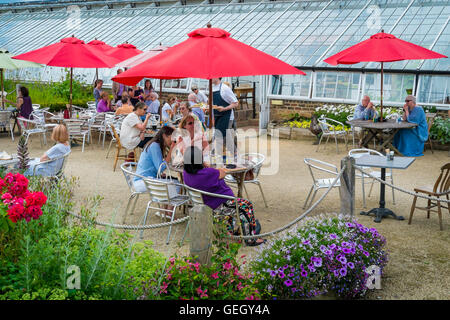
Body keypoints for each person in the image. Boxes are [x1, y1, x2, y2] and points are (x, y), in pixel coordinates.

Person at [183, 146, 265, 246]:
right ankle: (250, 239)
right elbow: (223, 172)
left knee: (239, 204)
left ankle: (234, 231)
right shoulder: (208, 173)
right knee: (247, 205)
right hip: (219, 205)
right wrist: (206, 166)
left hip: (207, 203)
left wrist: (203, 166)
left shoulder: (186, 174)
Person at [133, 126, 176, 192]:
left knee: (175, 180)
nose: (173, 140)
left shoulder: (155, 144)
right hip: (143, 181)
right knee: (176, 184)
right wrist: (171, 149)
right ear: (164, 135)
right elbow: (160, 168)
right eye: (172, 137)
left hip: (145, 178)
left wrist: (157, 174)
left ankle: (165, 200)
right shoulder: (155, 145)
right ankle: (167, 201)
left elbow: (157, 167)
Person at [211, 78, 238, 144]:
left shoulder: (225, 88)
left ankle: (234, 153)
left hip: (226, 117)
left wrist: (224, 109)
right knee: (220, 138)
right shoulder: (212, 88)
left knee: (225, 138)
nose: (210, 78)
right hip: (216, 116)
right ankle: (227, 153)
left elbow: (235, 103)